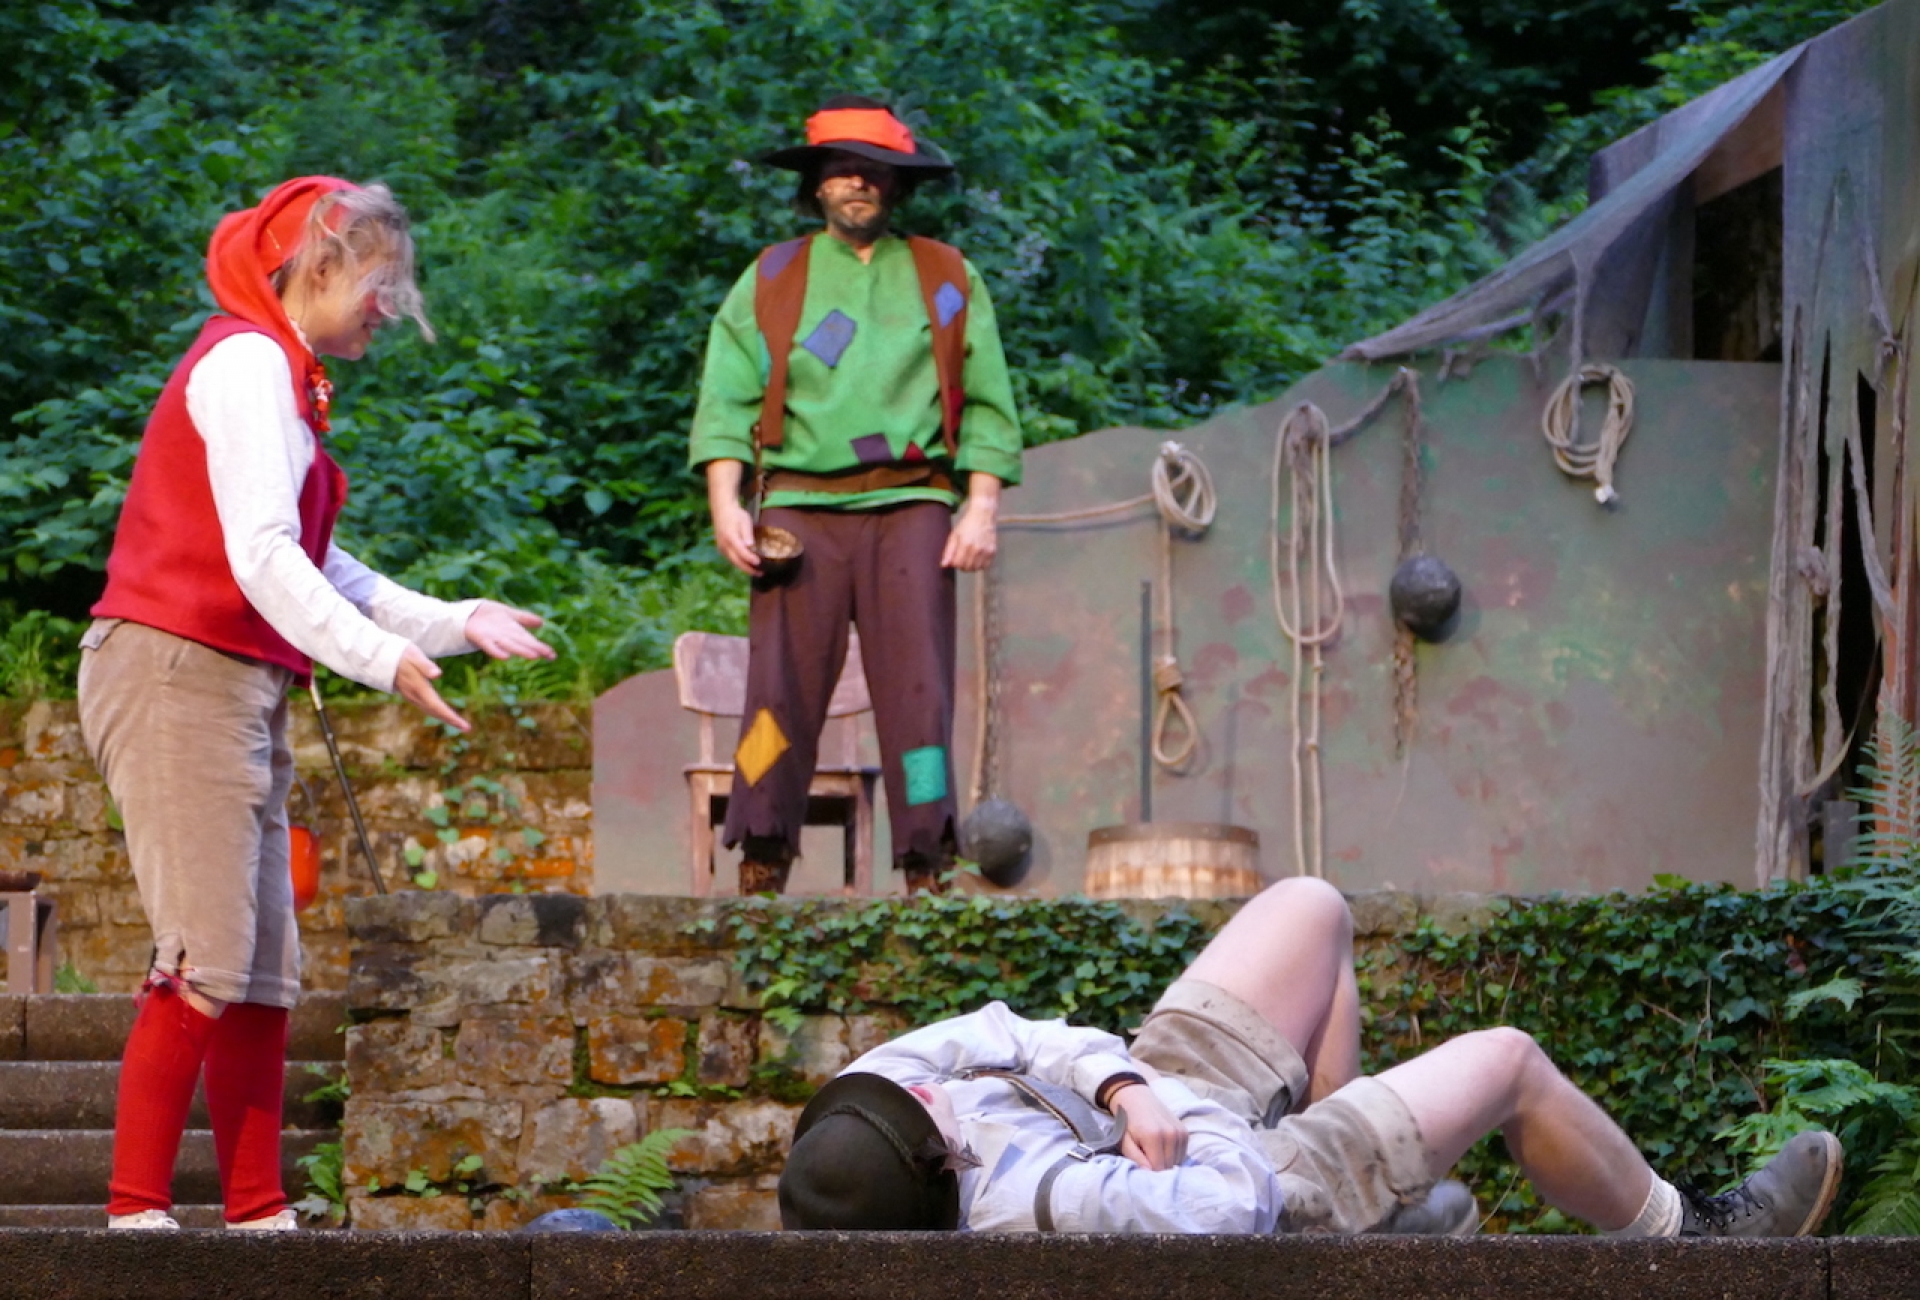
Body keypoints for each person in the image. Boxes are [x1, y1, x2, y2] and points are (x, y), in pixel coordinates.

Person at [78, 176, 555, 1231]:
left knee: (262, 968)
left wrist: (457, 619)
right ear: (319, 264)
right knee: (205, 952)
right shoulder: (247, 362)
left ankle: (259, 1213)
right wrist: (381, 660)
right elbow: (261, 557)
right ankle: (134, 1216)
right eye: (380, 284)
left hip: (235, 681)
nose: (389, 307)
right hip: (175, 668)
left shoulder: (284, 374)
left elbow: (322, 566)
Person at [778, 877, 1844, 1236]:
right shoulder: (1040, 1206)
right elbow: (1224, 1204)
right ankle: (1693, 1239)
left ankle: (1384, 1219)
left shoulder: (870, 1105)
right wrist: (1189, 1125)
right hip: (1246, 1173)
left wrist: (1126, 1082)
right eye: (933, 1116)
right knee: (1511, 1059)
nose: (936, 1096)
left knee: (1312, 906)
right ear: (943, 1169)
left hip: (1154, 1092)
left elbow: (1004, 1032)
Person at [688, 95, 1024, 896]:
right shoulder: (775, 276)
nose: (857, 183)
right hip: (798, 507)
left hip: (912, 504)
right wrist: (726, 504)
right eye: (841, 170)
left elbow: (988, 399)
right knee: (777, 691)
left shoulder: (946, 277)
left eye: (873, 171)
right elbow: (726, 398)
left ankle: (926, 860)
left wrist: (981, 505)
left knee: (918, 693)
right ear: (816, 186)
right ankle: (762, 850)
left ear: (897, 185)